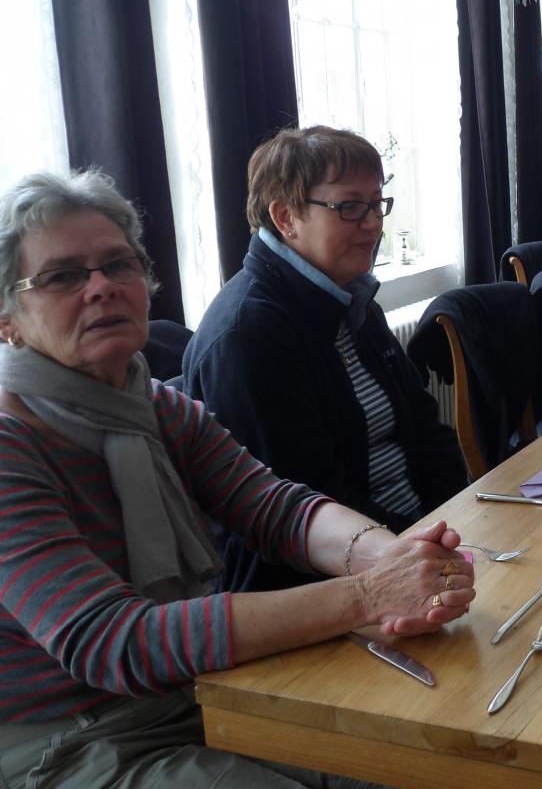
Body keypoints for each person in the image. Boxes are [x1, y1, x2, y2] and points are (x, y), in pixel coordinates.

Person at [0, 169, 475, 787]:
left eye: (119, 265)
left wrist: (401, 558)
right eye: (63, 276)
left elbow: (278, 510)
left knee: (419, 761)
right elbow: (113, 641)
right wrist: (367, 595)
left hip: (208, 690)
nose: (102, 288)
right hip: (75, 738)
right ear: (7, 318)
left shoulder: (158, 408)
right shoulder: (12, 444)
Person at [183, 127, 468, 593]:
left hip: (420, 549)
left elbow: (426, 428)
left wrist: (458, 523)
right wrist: (423, 549)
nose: (373, 223)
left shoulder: (353, 300)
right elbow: (312, 502)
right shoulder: (247, 337)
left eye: (377, 204)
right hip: (323, 589)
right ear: (285, 217)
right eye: (350, 207)